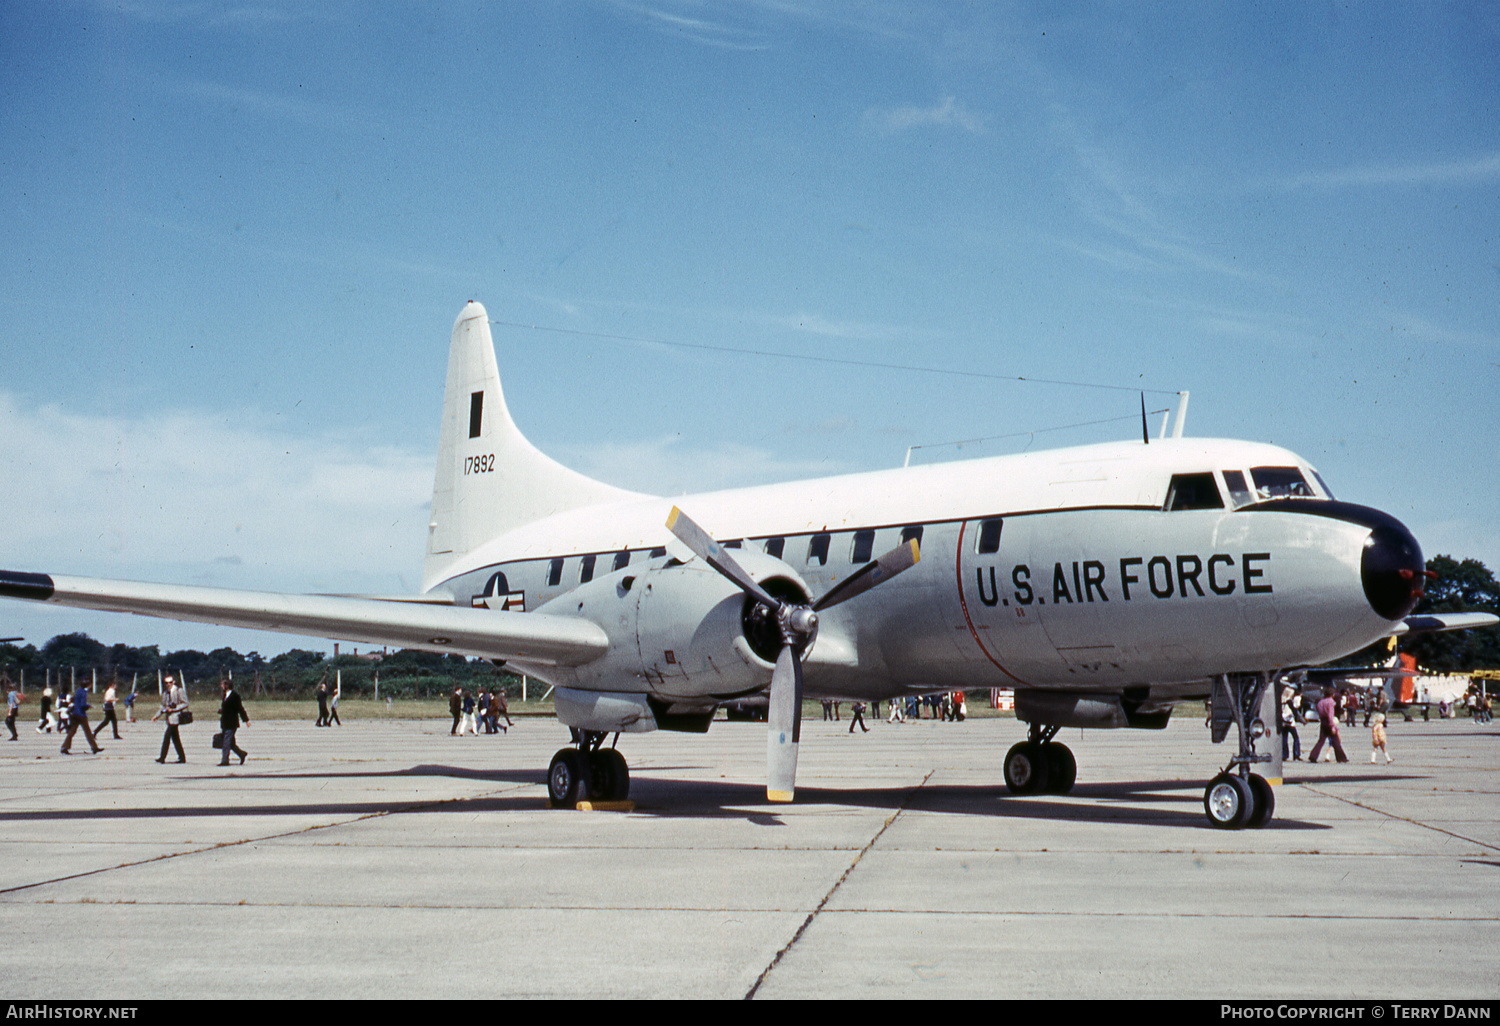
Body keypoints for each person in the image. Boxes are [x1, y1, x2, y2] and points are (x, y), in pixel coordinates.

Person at [59, 683, 103, 755]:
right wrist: (88, 706)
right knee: (87, 732)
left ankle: (64, 747)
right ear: (88, 685)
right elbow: (83, 705)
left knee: (72, 731)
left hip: (74, 713)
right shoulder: (84, 693)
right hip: (81, 715)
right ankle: (94, 747)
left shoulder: (78, 690)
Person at [153, 675, 188, 764]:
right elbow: (163, 706)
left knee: (167, 737)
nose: (168, 684)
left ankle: (162, 757)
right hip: (168, 718)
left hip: (175, 718)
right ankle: (182, 757)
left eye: (170, 682)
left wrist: (174, 709)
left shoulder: (178, 691)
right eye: (166, 683)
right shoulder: (165, 693)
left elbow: (185, 703)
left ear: (174, 682)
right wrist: (157, 716)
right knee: (175, 738)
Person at [1307, 689, 1348, 764]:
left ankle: (1313, 756)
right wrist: (1332, 726)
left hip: (1323, 721)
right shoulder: (1330, 701)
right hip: (1328, 721)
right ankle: (1341, 757)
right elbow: (1330, 714)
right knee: (1335, 740)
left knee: (1321, 740)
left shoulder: (1320, 702)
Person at [217, 679, 250, 766]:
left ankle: (225, 761)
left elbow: (240, 708)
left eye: (222, 684)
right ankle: (241, 754)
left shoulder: (235, 696)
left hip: (231, 723)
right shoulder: (225, 695)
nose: (221, 686)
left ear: (227, 686)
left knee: (226, 742)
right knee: (230, 743)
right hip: (225, 722)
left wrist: (246, 720)